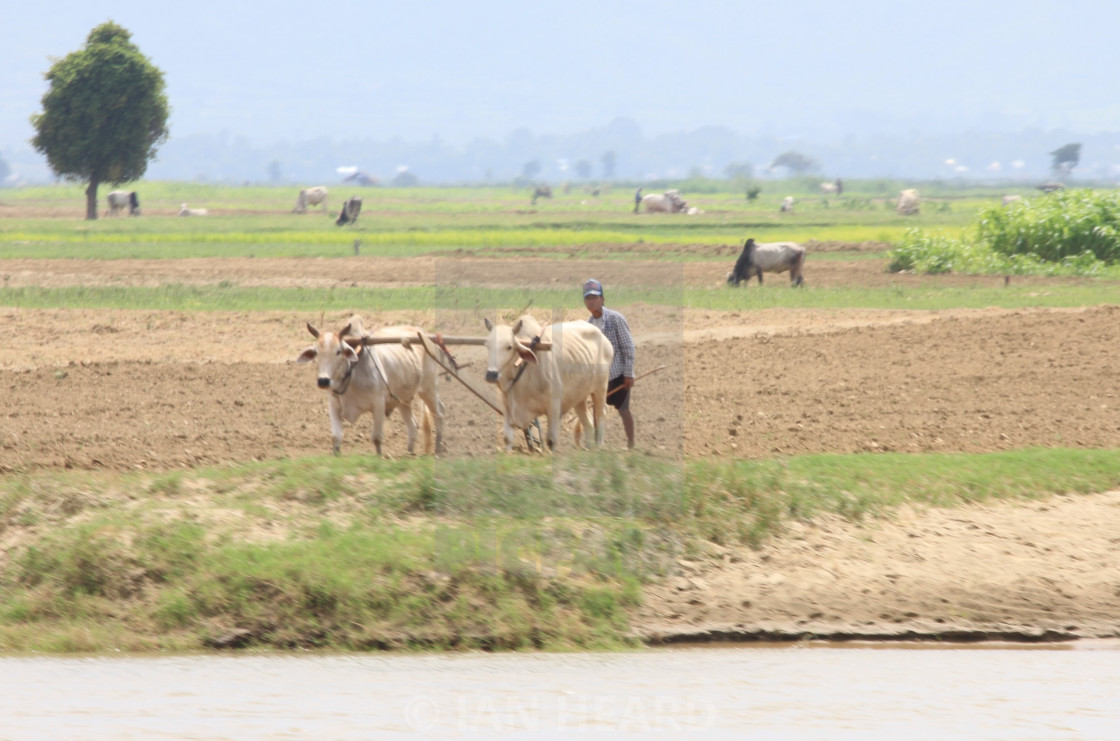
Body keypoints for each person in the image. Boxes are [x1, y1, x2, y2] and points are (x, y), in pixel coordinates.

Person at [582, 278, 636, 449]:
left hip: (617, 373)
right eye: (588, 298)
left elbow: (627, 346)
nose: (591, 302)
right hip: (599, 377)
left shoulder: (615, 319)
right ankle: (598, 445)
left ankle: (631, 445)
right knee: (598, 410)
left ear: (603, 299)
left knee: (624, 410)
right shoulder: (588, 325)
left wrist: (628, 374)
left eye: (594, 298)